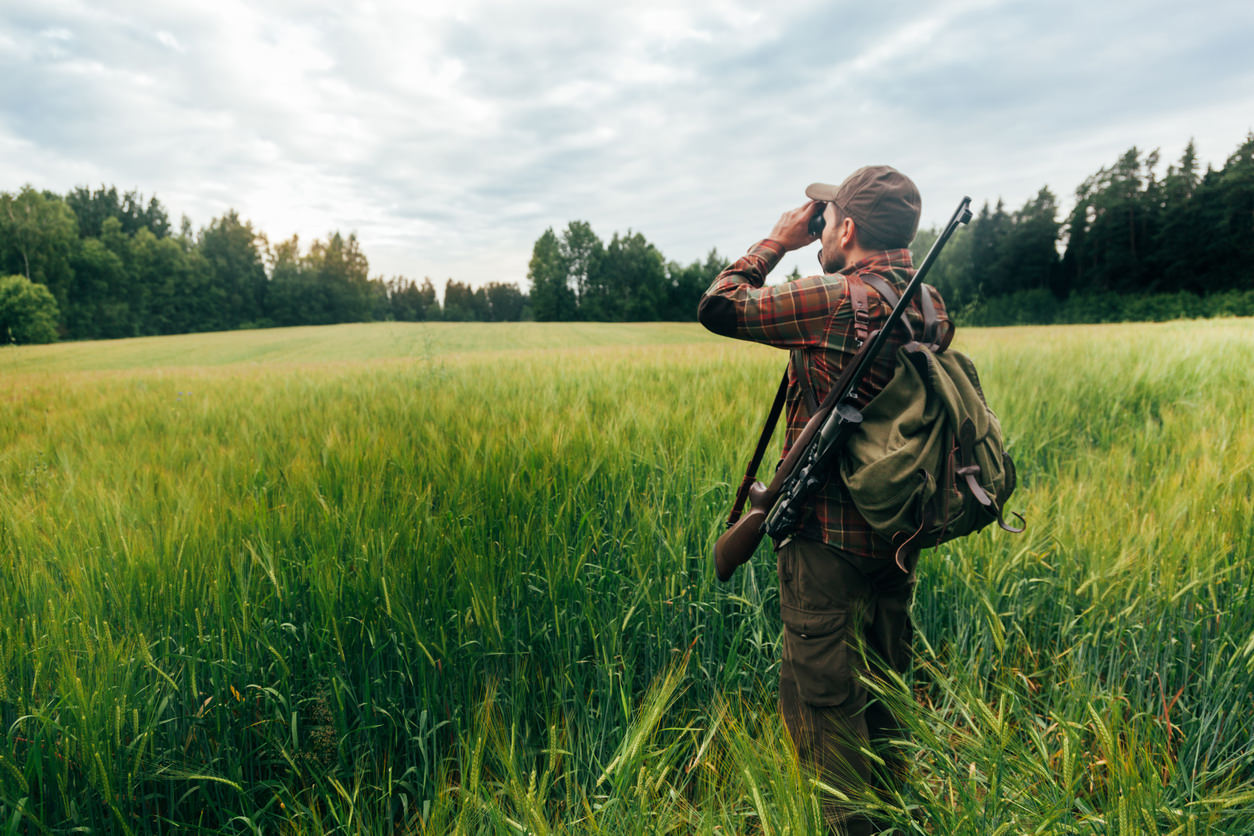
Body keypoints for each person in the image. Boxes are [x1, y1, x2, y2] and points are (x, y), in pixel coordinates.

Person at [697, 165, 948, 835]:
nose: (819, 230)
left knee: (823, 709)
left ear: (849, 228)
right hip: (896, 536)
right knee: (885, 692)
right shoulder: (928, 304)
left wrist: (777, 241)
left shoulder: (833, 298)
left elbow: (719, 303)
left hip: (824, 542)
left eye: (826, 220)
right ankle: (893, 821)